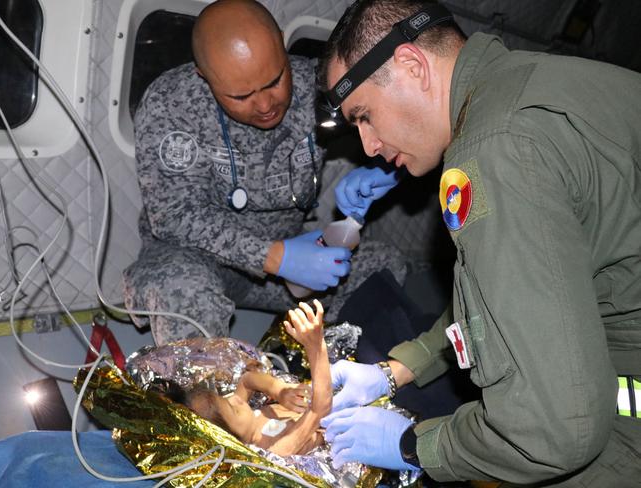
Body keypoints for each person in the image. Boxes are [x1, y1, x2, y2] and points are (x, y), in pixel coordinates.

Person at [317, 0, 641, 486]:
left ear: (411, 65)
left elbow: (552, 432)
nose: (368, 146)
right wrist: (395, 372)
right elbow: (519, 295)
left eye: (364, 116)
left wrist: (412, 444)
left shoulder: (493, 151)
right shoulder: (555, 81)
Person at [122, 0, 407, 345]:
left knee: (383, 266)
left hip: (284, 270)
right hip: (193, 261)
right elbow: (174, 218)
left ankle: (322, 377)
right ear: (204, 77)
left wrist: (388, 165)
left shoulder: (317, 84)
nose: (265, 104)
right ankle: (210, 397)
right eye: (241, 95)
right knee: (183, 287)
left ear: (284, 50)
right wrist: (273, 257)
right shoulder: (171, 103)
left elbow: (395, 116)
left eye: (274, 80)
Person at [174, 300, 331, 456]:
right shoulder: (275, 449)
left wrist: (278, 390)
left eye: (225, 399)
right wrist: (316, 348)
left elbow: (247, 380)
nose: (235, 399)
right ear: (235, 443)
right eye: (233, 409)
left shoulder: (247, 415)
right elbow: (320, 409)